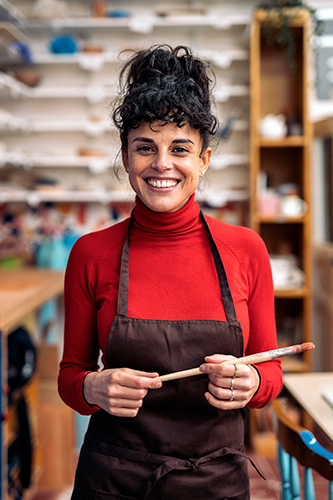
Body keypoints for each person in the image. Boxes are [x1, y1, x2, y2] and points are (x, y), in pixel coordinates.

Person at [58, 44, 283, 500]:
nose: (162, 164)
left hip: (215, 481)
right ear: (126, 157)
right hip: (112, 480)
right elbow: (71, 375)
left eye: (180, 148)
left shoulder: (246, 249)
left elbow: (271, 370)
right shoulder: (90, 253)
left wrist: (254, 382)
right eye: (145, 147)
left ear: (204, 158)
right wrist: (94, 388)